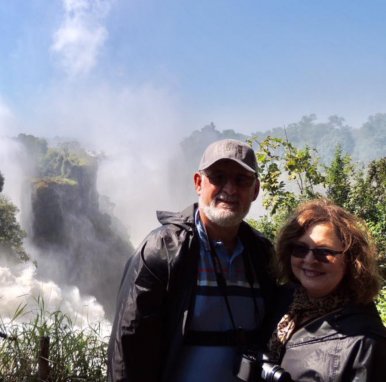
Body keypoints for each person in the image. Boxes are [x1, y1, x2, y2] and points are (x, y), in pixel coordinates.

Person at [107, 139, 277, 382]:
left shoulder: (261, 254)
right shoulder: (163, 250)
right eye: (218, 177)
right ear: (199, 183)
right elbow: (128, 346)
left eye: (241, 179)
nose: (229, 189)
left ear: (256, 190)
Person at [268, 199, 386, 380]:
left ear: (351, 260)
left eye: (324, 252)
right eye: (300, 249)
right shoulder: (283, 305)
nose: (309, 260)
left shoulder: (364, 341)